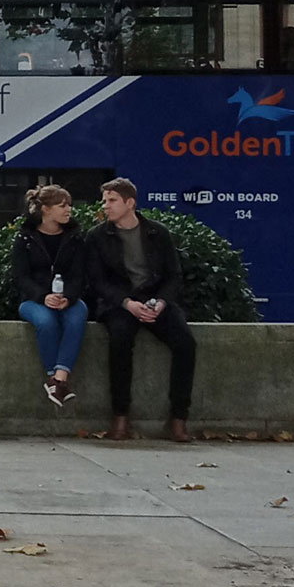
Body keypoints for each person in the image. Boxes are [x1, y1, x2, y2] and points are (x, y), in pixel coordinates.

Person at [87, 176, 197, 441]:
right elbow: (97, 281)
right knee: (120, 340)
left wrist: (160, 302)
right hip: (119, 304)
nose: (106, 206)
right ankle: (120, 417)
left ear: (130, 203)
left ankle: (179, 419)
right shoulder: (98, 236)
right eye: (105, 201)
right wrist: (127, 303)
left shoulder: (157, 233)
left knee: (186, 343)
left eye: (112, 200)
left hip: (154, 300)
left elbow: (174, 275)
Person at [11, 183, 89, 406]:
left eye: (69, 206)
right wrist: (43, 296)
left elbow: (80, 276)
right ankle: (53, 377)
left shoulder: (75, 239)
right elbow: (20, 277)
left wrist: (69, 297)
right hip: (33, 301)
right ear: (46, 209)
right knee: (46, 321)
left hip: (67, 299)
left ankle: (58, 379)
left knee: (77, 315)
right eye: (62, 205)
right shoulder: (25, 239)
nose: (68, 210)